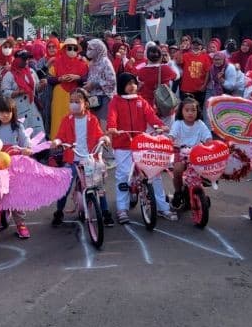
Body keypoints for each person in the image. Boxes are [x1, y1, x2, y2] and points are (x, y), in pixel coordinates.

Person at [107, 72, 175, 223]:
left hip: (141, 142)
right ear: (121, 85)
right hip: (122, 143)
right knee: (123, 175)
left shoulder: (141, 101)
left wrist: (160, 126)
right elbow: (112, 116)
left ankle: (163, 208)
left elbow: (151, 116)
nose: (132, 86)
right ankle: (122, 209)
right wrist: (112, 127)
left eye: (134, 83)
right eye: (128, 83)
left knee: (154, 173)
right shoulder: (116, 101)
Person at [50, 88, 114, 227]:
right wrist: (57, 142)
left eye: (77, 101)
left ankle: (105, 213)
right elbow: (60, 136)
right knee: (65, 186)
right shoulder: (67, 120)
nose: (73, 104)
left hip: (90, 158)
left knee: (98, 186)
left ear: (85, 103)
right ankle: (59, 212)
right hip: (72, 159)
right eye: (71, 101)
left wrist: (104, 138)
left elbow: (98, 134)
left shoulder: (92, 119)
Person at [0, 97, 33, 238]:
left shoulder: (17, 128)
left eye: (8, 112)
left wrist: (27, 148)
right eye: (2, 112)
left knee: (14, 195)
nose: (5, 115)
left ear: (13, 112)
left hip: (13, 164)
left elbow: (26, 141)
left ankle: (21, 224)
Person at [168, 98, 211, 210]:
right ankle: (178, 192)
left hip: (196, 152)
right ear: (181, 111)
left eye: (193, 110)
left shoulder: (200, 124)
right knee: (177, 169)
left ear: (198, 112)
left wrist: (210, 144)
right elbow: (172, 136)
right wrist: (170, 141)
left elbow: (208, 138)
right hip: (180, 150)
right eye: (187, 110)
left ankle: (203, 185)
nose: (190, 113)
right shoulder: (178, 124)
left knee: (205, 169)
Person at [46, 38, 89, 139]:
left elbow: (87, 79)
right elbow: (49, 79)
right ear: (64, 49)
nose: (72, 51)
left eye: (75, 49)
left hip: (76, 95)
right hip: (59, 95)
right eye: (69, 48)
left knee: (74, 119)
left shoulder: (83, 64)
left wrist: (77, 77)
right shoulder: (56, 62)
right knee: (58, 120)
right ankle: (57, 144)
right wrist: (60, 78)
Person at [0, 49, 44, 137]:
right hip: (18, 109)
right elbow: (4, 92)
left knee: (37, 131)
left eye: (27, 59)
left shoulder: (31, 72)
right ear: (17, 60)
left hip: (32, 108)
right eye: (24, 59)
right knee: (22, 133)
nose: (27, 61)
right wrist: (18, 92)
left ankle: (39, 150)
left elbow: (36, 89)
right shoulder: (9, 75)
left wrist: (42, 85)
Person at [83, 39, 117, 128]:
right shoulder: (93, 62)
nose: (88, 51)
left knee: (103, 127)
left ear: (98, 49)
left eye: (91, 49)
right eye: (88, 48)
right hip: (93, 99)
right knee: (94, 126)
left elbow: (112, 81)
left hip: (105, 98)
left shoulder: (105, 62)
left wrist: (94, 84)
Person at [179, 37, 211, 108]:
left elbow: (208, 72)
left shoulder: (206, 57)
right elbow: (178, 61)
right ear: (191, 46)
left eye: (198, 45)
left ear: (201, 46)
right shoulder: (185, 55)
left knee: (199, 110)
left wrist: (204, 86)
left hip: (199, 89)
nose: (196, 46)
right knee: (186, 109)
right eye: (194, 44)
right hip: (186, 89)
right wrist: (181, 50)